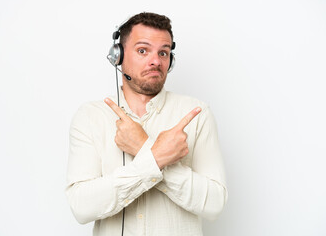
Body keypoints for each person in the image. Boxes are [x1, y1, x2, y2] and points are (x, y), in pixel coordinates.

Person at [66, 12, 228, 236]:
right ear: (118, 56)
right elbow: (82, 207)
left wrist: (143, 148)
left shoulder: (196, 113)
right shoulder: (91, 116)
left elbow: (214, 204)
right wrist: (156, 158)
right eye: (143, 50)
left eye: (164, 52)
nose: (156, 61)